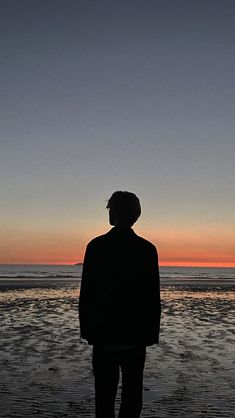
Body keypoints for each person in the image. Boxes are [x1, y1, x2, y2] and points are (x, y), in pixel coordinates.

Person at [79, 191, 161, 418]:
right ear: (136, 216)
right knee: (132, 399)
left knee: (104, 399)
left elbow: (87, 293)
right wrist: (151, 334)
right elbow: (152, 297)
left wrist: (87, 330)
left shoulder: (96, 246)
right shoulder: (146, 249)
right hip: (135, 336)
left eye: (110, 209)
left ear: (112, 214)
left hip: (104, 335)